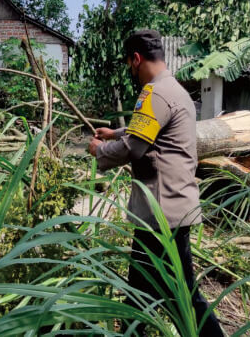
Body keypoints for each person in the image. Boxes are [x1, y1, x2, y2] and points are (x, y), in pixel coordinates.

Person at [87, 30, 223, 336]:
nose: (130, 71)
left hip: (162, 215)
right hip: (172, 210)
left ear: (136, 59)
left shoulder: (153, 93)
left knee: (178, 296)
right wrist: (115, 133)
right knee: (145, 292)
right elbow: (147, 133)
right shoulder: (174, 90)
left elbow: (135, 147)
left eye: (129, 65)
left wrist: (100, 151)